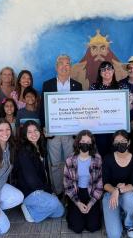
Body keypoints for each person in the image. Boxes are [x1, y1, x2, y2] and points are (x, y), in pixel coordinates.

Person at [40, 54, 82, 196]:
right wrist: (44, 127)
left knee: (71, 163)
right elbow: (43, 108)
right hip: (53, 132)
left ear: (71, 67)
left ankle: (70, 192)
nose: (64, 67)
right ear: (56, 67)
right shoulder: (48, 84)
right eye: (61, 64)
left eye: (67, 64)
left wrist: (78, 130)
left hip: (71, 133)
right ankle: (58, 191)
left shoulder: (78, 85)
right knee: (56, 164)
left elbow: (80, 109)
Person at [15, 120, 64, 223]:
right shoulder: (24, 151)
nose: (33, 134)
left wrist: (50, 191)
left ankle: (34, 210)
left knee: (60, 211)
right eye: (29, 132)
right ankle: (29, 210)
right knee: (54, 203)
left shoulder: (40, 147)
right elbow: (31, 180)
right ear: (25, 135)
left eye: (36, 130)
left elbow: (46, 175)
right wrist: (48, 192)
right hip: (29, 191)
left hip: (40, 189)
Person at [102, 130, 133, 238]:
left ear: (128, 142)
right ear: (113, 144)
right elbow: (105, 183)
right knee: (114, 235)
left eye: (123, 141)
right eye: (117, 141)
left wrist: (118, 191)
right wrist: (113, 191)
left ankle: (129, 223)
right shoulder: (108, 159)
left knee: (130, 198)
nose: (120, 144)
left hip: (127, 193)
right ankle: (119, 214)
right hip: (110, 194)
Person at [63, 130, 103, 233]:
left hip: (92, 193)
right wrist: (77, 203)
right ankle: (72, 209)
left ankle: (89, 213)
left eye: (88, 142)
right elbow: (67, 184)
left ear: (92, 144)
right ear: (78, 143)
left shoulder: (97, 159)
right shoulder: (70, 159)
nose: (85, 144)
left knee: (93, 227)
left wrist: (91, 203)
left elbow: (100, 184)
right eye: (83, 141)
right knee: (77, 228)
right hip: (76, 192)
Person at [90, 61, 128, 156]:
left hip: (117, 127)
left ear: (113, 71)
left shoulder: (121, 87)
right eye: (103, 69)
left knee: (116, 153)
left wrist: (129, 102)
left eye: (109, 68)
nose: (106, 71)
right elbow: (90, 107)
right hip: (100, 128)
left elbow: (129, 108)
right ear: (100, 72)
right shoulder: (94, 87)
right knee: (102, 153)